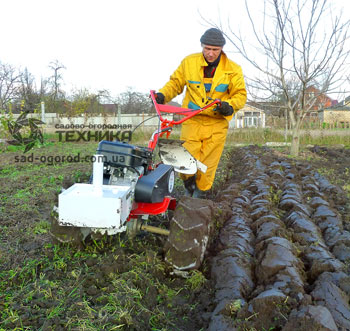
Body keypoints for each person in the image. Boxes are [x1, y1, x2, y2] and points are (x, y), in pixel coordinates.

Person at [155, 28, 247, 198]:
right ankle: (188, 186)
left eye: (215, 50)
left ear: (221, 49)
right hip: (192, 120)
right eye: (207, 48)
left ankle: (199, 197)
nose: (210, 53)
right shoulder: (189, 62)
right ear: (201, 46)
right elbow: (175, 83)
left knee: (207, 166)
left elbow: (240, 94)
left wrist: (229, 106)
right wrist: (162, 95)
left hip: (216, 123)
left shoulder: (233, 69)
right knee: (184, 160)